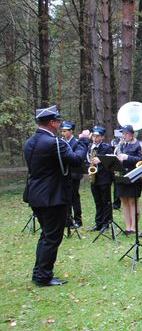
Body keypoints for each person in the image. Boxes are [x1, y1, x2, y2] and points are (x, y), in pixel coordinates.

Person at [24, 105, 90, 286]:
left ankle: (39, 272)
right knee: (52, 237)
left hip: (35, 194)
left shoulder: (29, 142)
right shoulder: (54, 143)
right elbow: (76, 160)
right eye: (58, 121)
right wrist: (84, 141)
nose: (60, 125)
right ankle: (43, 276)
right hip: (52, 196)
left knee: (46, 235)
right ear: (52, 123)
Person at [114, 125, 142, 235]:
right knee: (124, 200)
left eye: (126, 134)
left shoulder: (138, 145)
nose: (124, 136)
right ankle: (127, 227)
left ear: (131, 135)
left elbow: (140, 160)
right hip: (122, 175)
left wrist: (127, 157)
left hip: (134, 176)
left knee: (132, 200)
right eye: (123, 134)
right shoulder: (121, 144)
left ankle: (134, 227)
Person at [88, 125, 114, 231]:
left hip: (104, 177)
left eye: (97, 136)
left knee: (105, 201)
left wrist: (101, 160)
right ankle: (98, 222)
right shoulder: (91, 147)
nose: (95, 138)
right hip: (95, 177)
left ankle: (106, 222)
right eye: (93, 136)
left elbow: (111, 161)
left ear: (102, 137)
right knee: (97, 201)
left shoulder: (106, 147)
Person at [61, 121, 84, 229]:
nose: (63, 133)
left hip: (74, 174)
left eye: (65, 131)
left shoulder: (76, 142)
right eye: (62, 131)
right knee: (66, 197)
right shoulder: (62, 142)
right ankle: (68, 219)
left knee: (74, 196)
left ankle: (78, 220)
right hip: (65, 174)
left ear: (71, 131)